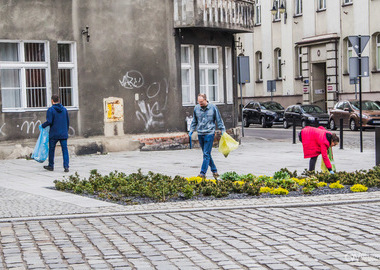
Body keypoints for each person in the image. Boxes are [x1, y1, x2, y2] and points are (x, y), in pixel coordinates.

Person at [189, 93, 226, 179]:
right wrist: (191, 130)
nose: (200, 103)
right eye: (199, 102)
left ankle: (202, 173)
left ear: (206, 100)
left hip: (209, 133)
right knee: (207, 154)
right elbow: (194, 120)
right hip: (200, 133)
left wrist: (222, 130)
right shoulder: (196, 108)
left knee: (206, 154)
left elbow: (219, 119)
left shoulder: (213, 108)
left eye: (201, 101)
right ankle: (214, 170)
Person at [41, 94, 70, 172]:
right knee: (65, 149)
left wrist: (42, 126)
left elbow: (49, 121)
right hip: (63, 133)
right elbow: (67, 121)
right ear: (59, 100)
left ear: (52, 100)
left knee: (51, 149)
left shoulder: (51, 110)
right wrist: (66, 131)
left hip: (54, 133)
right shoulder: (64, 109)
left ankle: (51, 165)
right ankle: (66, 166)